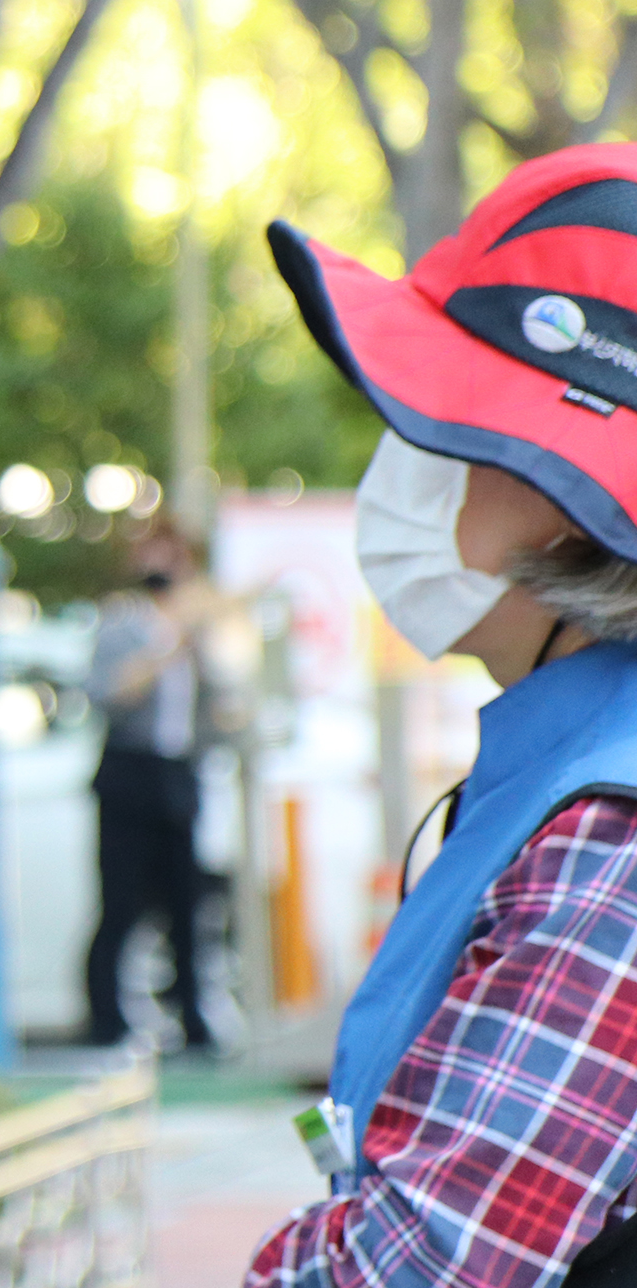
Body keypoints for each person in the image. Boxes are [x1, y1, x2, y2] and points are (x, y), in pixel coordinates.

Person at [248, 144, 637, 1288]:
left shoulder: (611, 830)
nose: (402, 458)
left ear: (574, 501)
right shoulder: (564, 763)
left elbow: (425, 1261)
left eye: (444, 425)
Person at [81, 523, 218, 1052]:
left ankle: (193, 1019)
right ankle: (105, 1019)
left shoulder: (197, 630)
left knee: (186, 901)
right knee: (120, 899)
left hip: (178, 769)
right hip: (129, 771)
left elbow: (214, 701)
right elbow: (107, 694)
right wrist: (166, 649)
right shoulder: (122, 625)